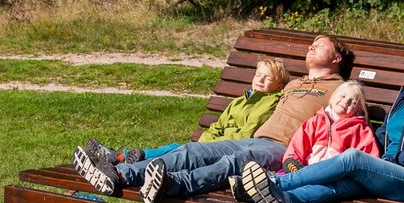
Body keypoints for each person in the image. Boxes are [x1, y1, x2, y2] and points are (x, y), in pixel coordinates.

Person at [73, 34, 347, 202]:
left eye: (319, 45)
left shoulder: (341, 89)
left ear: (335, 59)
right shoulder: (293, 84)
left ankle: (174, 184)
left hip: (283, 149)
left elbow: (348, 127)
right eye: (311, 44)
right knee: (194, 150)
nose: (311, 47)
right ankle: (120, 174)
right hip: (254, 138)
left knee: (235, 163)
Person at [237, 45, 404, 203]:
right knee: (341, 182)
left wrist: (392, 160)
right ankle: (285, 200)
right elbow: (382, 136)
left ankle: (275, 181)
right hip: (387, 173)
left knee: (353, 158)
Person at [91, 58, 289, 168]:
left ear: (279, 85)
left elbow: (246, 134)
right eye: (258, 75)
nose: (260, 80)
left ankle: (120, 161)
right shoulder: (240, 100)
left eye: (267, 78)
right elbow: (218, 125)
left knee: (179, 152)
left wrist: (208, 144)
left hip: (228, 151)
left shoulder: (270, 104)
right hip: (210, 145)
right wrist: (206, 139)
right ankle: (120, 158)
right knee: (176, 148)